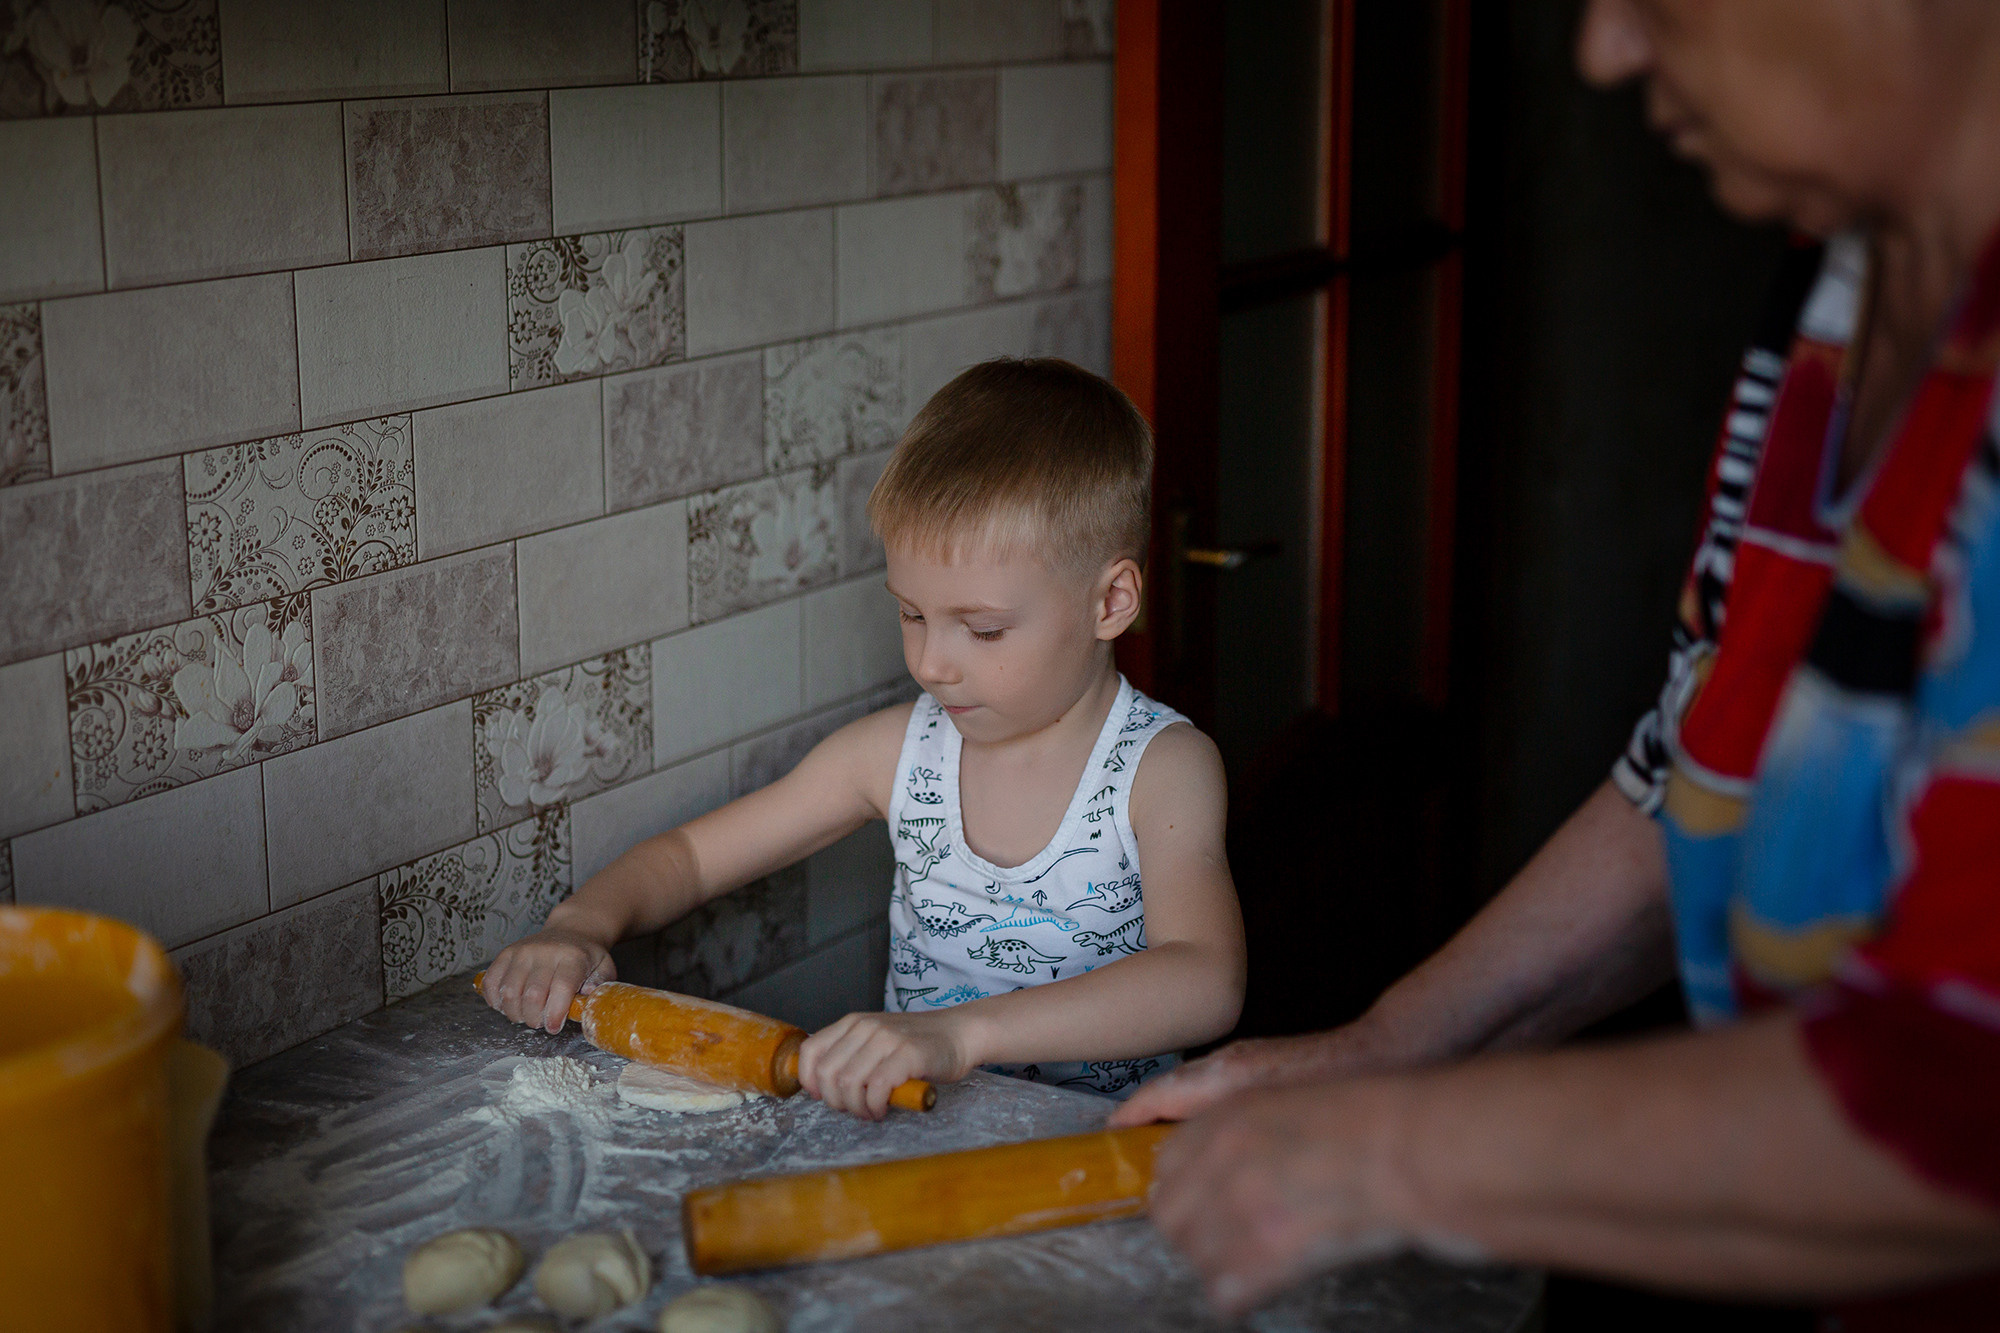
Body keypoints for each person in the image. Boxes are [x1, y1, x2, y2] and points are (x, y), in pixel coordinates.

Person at [1109, 0, 2000, 1324]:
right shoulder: (1835, 288)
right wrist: (1381, 1054)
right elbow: (1699, 771)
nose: (1604, 50)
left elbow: (1962, 1088)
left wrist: (1398, 1151)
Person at [481, 358, 1247, 1119]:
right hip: (919, 1143)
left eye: (981, 628)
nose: (931, 663)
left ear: (1110, 601)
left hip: (1101, 1163)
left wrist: (957, 1035)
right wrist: (580, 925)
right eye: (912, 613)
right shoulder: (896, 755)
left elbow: (1206, 977)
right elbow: (689, 858)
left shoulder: (1161, 768)